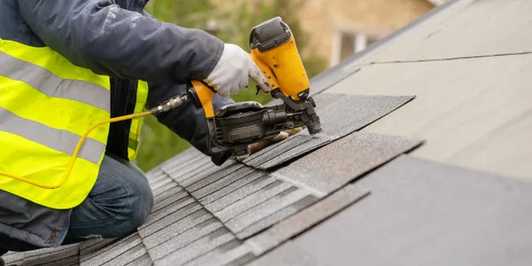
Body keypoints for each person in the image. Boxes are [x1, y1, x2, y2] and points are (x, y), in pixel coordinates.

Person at [0, 0, 271, 260]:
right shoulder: (92, 17)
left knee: (126, 190)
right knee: (124, 198)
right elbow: (91, 33)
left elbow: (156, 73)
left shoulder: (114, 9)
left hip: (17, 158)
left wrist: (234, 128)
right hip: (8, 164)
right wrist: (207, 54)